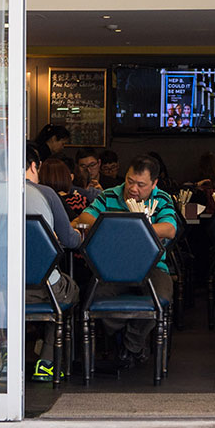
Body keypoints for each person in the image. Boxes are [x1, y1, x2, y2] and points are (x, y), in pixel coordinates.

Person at [70, 155, 178, 368]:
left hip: (152, 267)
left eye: (141, 184)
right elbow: (85, 218)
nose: (133, 188)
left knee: (161, 297)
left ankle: (131, 345)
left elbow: (169, 229)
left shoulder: (161, 198)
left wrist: (133, 230)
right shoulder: (109, 195)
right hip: (114, 268)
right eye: (130, 181)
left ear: (154, 184)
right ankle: (128, 341)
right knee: (95, 297)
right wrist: (119, 227)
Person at [24, 144, 79, 381]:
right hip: (44, 289)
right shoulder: (45, 193)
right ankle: (46, 362)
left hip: (1, 292)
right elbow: (70, 240)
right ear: (34, 166)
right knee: (71, 290)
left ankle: (4, 358)